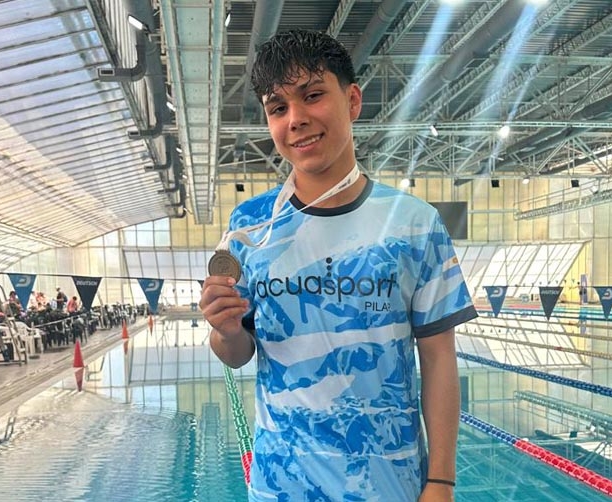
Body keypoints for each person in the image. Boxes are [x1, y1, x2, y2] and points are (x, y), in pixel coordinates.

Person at [200, 29, 476, 501]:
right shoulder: (249, 227)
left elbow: (438, 359)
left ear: (352, 101)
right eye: (278, 107)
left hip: (388, 487)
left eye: (312, 96)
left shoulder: (413, 223)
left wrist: (441, 482)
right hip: (279, 487)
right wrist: (224, 331)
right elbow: (238, 352)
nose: (296, 119)